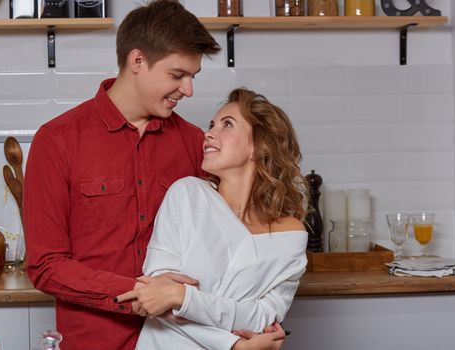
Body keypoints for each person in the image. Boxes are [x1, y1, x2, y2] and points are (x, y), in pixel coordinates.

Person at [23, 1, 219, 349]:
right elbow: (46, 265)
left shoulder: (194, 143)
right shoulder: (57, 141)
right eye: (177, 75)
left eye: (193, 77)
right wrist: (138, 295)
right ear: (138, 61)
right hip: (95, 341)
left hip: (183, 340)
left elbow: (222, 242)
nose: (188, 90)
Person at [117, 88, 309, 349]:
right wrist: (233, 345)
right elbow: (156, 300)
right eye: (212, 125)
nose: (208, 134)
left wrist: (182, 297)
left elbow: (263, 317)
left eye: (226, 124)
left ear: (258, 146)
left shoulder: (291, 235)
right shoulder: (186, 194)